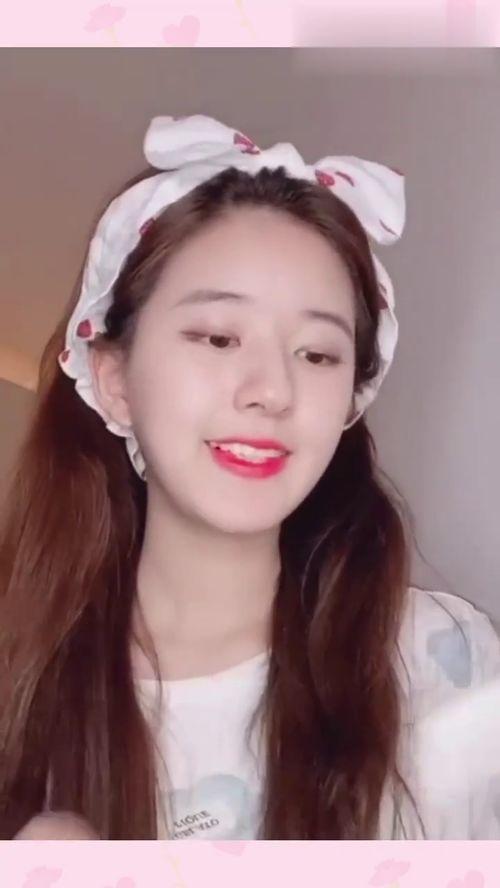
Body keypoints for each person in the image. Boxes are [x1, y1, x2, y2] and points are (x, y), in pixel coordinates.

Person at [1, 114, 499, 841]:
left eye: (317, 354)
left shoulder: (443, 662)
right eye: (218, 337)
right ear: (113, 379)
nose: (272, 391)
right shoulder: (18, 675)